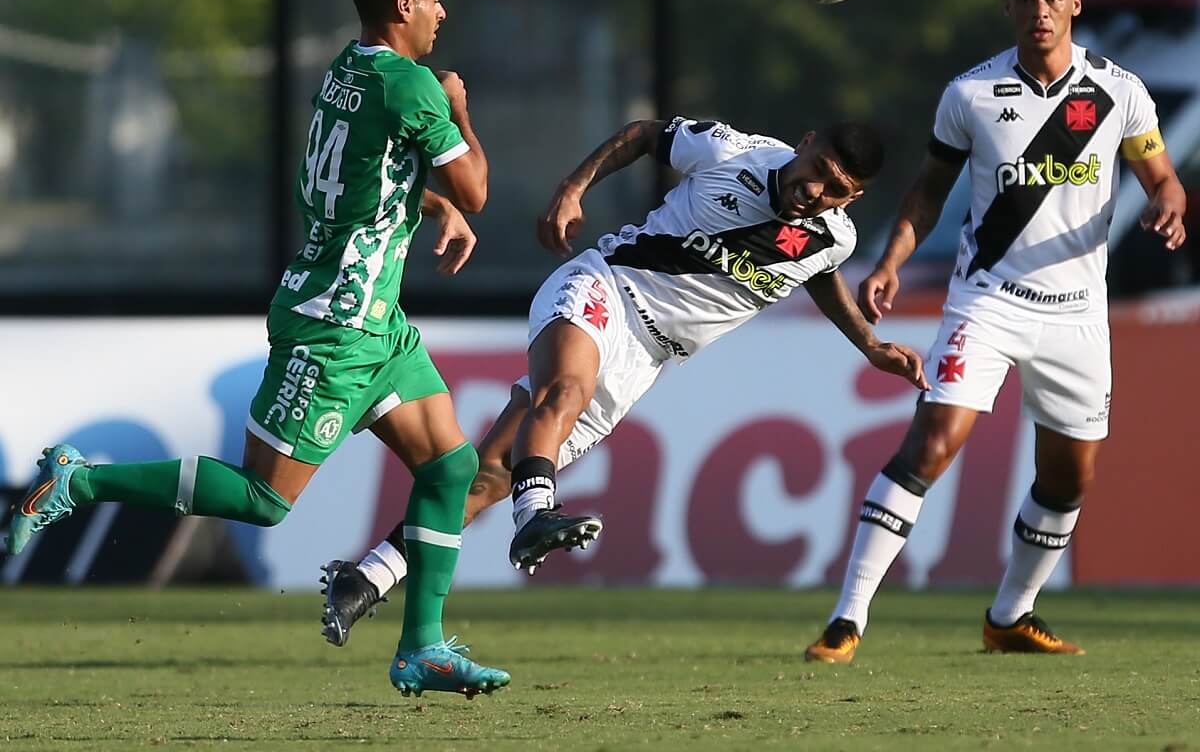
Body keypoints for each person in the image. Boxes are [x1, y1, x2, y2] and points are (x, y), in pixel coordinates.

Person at [5, 0, 510, 699]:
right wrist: (459, 106)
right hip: (335, 326)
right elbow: (474, 188)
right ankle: (81, 481)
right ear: (402, 6)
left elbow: (344, 182)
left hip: (378, 325)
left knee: (451, 467)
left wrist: (422, 204)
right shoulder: (416, 88)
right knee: (263, 499)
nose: (444, 10)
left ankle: (423, 649)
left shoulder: (346, 72)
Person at [319, 114, 931, 646]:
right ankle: (537, 512)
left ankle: (368, 576)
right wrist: (573, 188)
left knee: (487, 477)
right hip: (606, 288)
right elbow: (644, 135)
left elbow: (820, 276)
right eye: (817, 167)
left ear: (850, 201)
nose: (815, 190)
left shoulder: (834, 239)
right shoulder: (733, 152)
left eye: (836, 191)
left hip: (647, 358)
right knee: (565, 391)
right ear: (805, 142)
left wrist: (871, 344)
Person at [805, 0, 1188, 664]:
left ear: (1074, 6)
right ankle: (846, 620)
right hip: (987, 302)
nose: (1038, 12)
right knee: (931, 445)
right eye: (1024, 0)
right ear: (1008, 9)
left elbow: (1162, 174)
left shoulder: (1120, 91)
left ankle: (1010, 616)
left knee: (1069, 479)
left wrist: (1169, 202)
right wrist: (889, 261)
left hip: (1076, 315)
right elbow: (927, 191)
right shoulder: (971, 95)